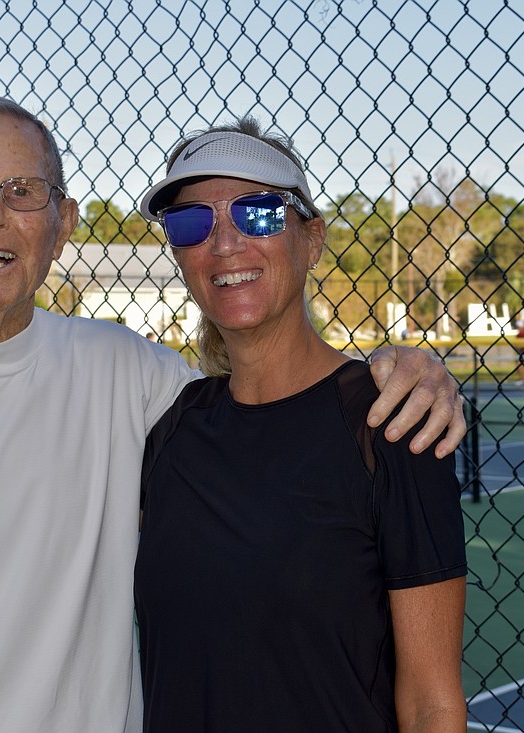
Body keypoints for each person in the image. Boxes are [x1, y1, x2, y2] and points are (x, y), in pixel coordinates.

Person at [0, 96, 465, 733]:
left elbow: (277, 397)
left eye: (22, 191)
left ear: (61, 224)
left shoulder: (128, 373)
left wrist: (411, 365)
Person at [134, 118, 467, 732]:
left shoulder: (390, 421)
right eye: (191, 224)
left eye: (259, 214)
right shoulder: (171, 429)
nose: (225, 243)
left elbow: (431, 704)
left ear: (311, 240)